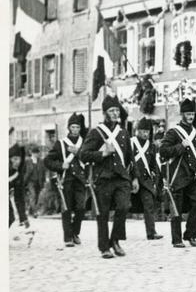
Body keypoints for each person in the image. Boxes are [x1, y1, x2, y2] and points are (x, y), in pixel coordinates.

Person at [79, 95, 133, 259]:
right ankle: (104, 247)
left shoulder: (123, 132)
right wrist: (102, 153)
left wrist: (135, 177)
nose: (115, 113)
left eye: (117, 110)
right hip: (104, 178)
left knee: (123, 207)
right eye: (112, 111)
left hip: (121, 178)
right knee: (102, 214)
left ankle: (115, 240)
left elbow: (130, 157)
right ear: (105, 113)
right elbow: (83, 154)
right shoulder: (97, 132)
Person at [159, 98, 196, 248]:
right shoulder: (173, 132)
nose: (191, 116)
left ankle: (190, 234)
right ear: (182, 115)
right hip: (178, 176)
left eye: (192, 113)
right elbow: (163, 151)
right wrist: (181, 146)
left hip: (193, 176)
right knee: (177, 208)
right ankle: (177, 239)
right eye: (188, 113)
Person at [44, 113, 88, 247]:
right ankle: (68, 238)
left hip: (80, 180)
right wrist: (60, 165)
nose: (75, 130)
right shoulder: (61, 144)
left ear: (80, 129)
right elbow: (47, 161)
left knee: (81, 208)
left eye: (77, 127)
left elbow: (90, 159)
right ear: (69, 128)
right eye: (73, 127)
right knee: (66, 209)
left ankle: (75, 232)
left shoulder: (85, 143)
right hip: (66, 180)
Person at [130, 117, 163, 240]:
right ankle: (118, 232)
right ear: (137, 131)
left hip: (145, 180)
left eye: (147, 131)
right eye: (142, 131)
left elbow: (153, 165)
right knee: (123, 206)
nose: (145, 133)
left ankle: (151, 232)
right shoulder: (131, 143)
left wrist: (154, 178)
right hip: (131, 179)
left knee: (149, 205)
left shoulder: (151, 146)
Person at [9, 143, 29, 229]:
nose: (17, 162)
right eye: (14, 159)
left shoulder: (18, 174)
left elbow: (19, 197)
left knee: (10, 218)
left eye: (19, 159)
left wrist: (23, 218)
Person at [24, 145, 46, 218]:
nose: (36, 154)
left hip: (38, 182)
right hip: (30, 182)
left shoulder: (41, 161)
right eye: (34, 153)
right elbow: (24, 171)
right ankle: (35, 212)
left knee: (36, 197)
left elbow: (43, 172)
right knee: (33, 195)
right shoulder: (27, 161)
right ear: (32, 153)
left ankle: (31, 210)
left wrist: (44, 181)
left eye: (37, 153)